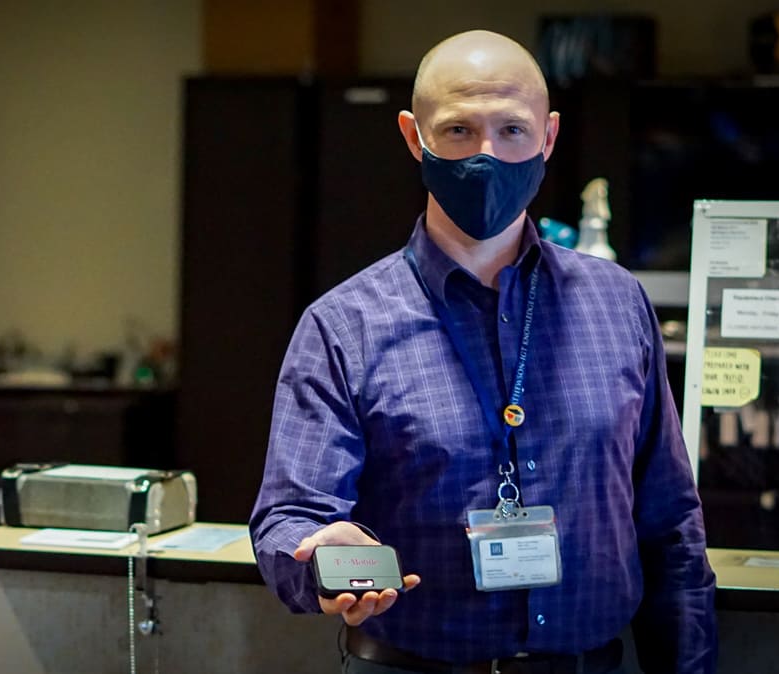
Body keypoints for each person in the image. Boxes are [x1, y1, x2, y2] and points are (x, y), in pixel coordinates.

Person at [250, 29, 717, 674]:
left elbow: (671, 524)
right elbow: (287, 520)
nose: (488, 155)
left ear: (548, 137)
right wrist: (322, 556)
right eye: (460, 131)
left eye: (512, 130)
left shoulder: (616, 304)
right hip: (412, 664)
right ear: (415, 137)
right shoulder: (343, 325)